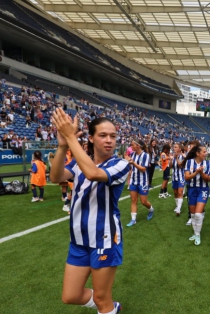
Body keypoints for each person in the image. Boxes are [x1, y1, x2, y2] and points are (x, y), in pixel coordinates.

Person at [50, 111, 129, 314]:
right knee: (71, 296)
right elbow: (56, 176)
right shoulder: (78, 162)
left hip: (104, 239)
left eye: (112, 136)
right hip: (78, 238)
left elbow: (93, 173)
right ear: (91, 138)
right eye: (103, 135)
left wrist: (70, 137)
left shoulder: (120, 164)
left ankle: (107, 307)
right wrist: (62, 146)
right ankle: (111, 306)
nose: (109, 140)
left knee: (102, 298)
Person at [183, 144, 210, 245]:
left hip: (203, 189)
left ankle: (197, 235)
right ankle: (195, 233)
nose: (205, 153)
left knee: (198, 214)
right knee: (193, 214)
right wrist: (196, 172)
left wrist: (201, 172)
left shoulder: (207, 163)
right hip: (192, 189)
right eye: (204, 152)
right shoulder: (189, 162)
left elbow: (207, 179)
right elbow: (187, 177)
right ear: (197, 153)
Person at [125, 139, 154, 226]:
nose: (131, 147)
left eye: (133, 145)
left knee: (143, 202)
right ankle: (133, 220)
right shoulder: (132, 154)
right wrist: (127, 161)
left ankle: (151, 210)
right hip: (133, 181)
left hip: (143, 182)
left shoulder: (146, 155)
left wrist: (133, 163)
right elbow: (130, 165)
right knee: (133, 200)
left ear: (138, 146)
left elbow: (143, 169)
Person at [170, 143, 186, 219]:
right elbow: (170, 166)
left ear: (180, 149)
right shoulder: (173, 156)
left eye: (176, 147)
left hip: (181, 177)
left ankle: (178, 209)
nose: (174, 148)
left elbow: (180, 165)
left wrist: (176, 158)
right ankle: (177, 206)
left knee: (180, 192)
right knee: (175, 193)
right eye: (174, 147)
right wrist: (171, 159)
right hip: (174, 177)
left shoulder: (183, 156)